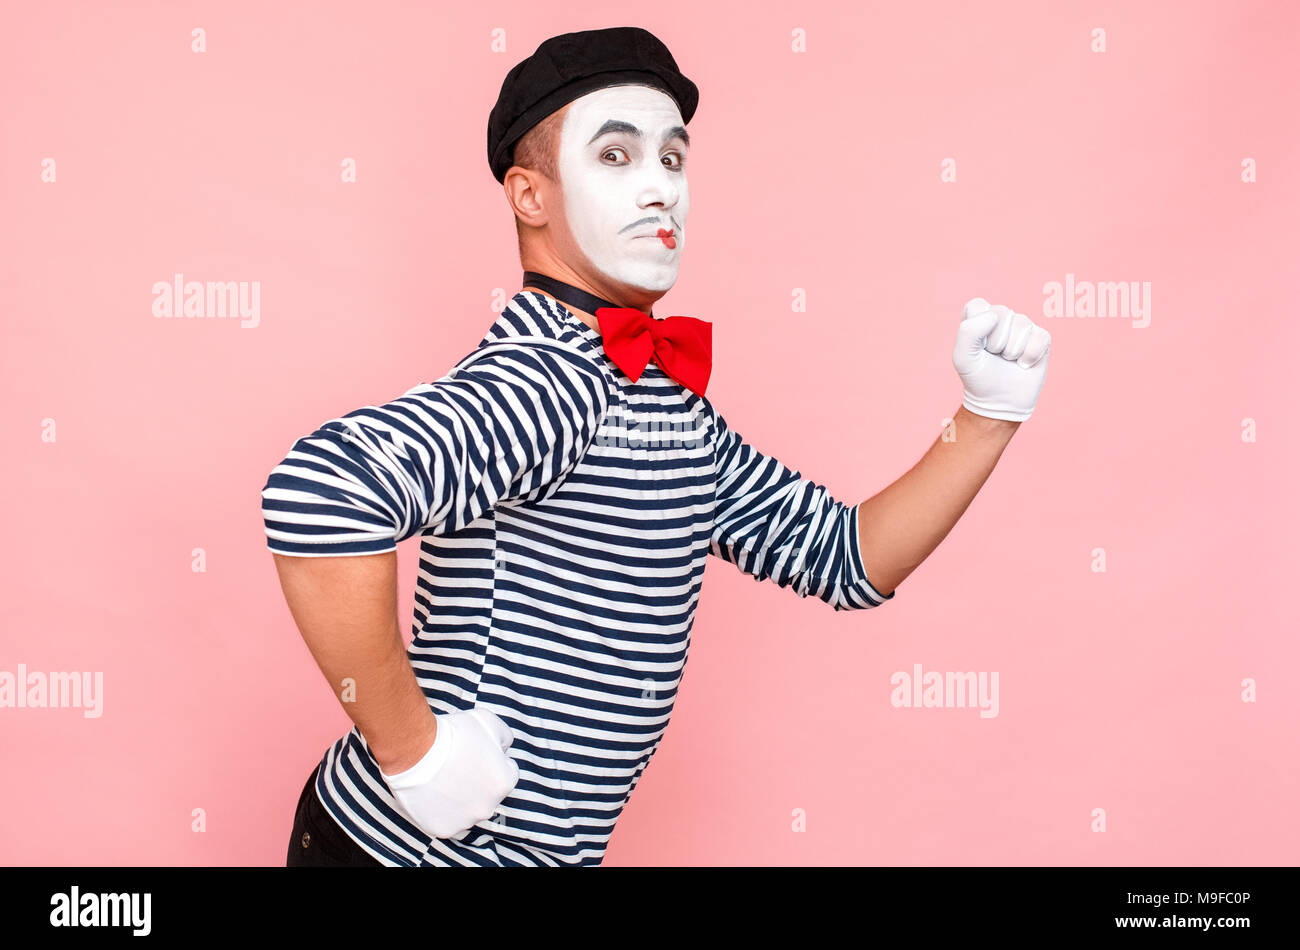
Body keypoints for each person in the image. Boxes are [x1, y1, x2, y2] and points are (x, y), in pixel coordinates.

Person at [264, 25, 1051, 867]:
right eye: (615, 157)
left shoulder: (663, 400)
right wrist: (413, 751)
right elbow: (319, 492)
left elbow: (846, 559)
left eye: (672, 160)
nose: (660, 191)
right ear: (531, 197)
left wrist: (986, 414)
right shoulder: (549, 383)